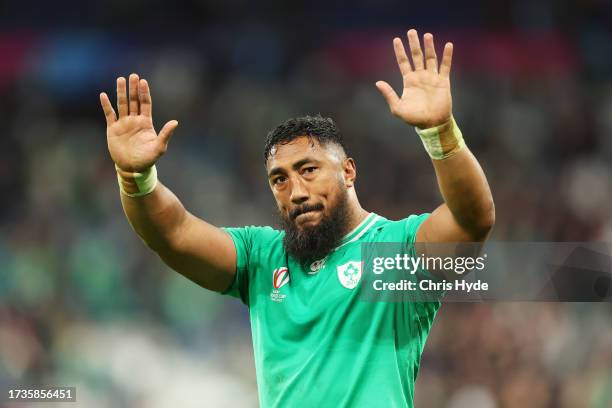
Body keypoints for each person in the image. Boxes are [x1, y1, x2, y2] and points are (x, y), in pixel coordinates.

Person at [99, 29, 494, 407]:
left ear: (349, 171)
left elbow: (473, 218)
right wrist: (136, 176)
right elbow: (173, 233)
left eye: (309, 170)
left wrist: (439, 132)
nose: (297, 192)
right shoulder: (261, 258)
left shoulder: (395, 251)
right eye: (280, 179)